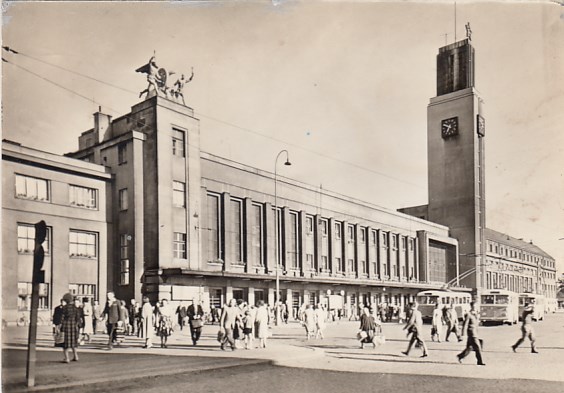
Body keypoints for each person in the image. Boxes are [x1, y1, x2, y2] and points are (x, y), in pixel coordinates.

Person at [457, 301, 485, 365]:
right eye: (474, 306)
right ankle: (479, 361)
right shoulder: (468, 315)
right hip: (471, 333)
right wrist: (463, 334)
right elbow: (465, 325)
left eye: (476, 307)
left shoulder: (476, 315)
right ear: (471, 306)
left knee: (469, 347)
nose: (475, 308)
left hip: (475, 333)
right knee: (478, 347)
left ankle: (460, 356)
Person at [60, 293, 81, 363]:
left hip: (66, 326)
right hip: (74, 326)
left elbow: (62, 318)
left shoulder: (64, 308)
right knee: (73, 343)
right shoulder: (76, 308)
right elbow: (78, 319)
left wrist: (60, 326)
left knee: (65, 343)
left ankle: (67, 358)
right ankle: (76, 356)